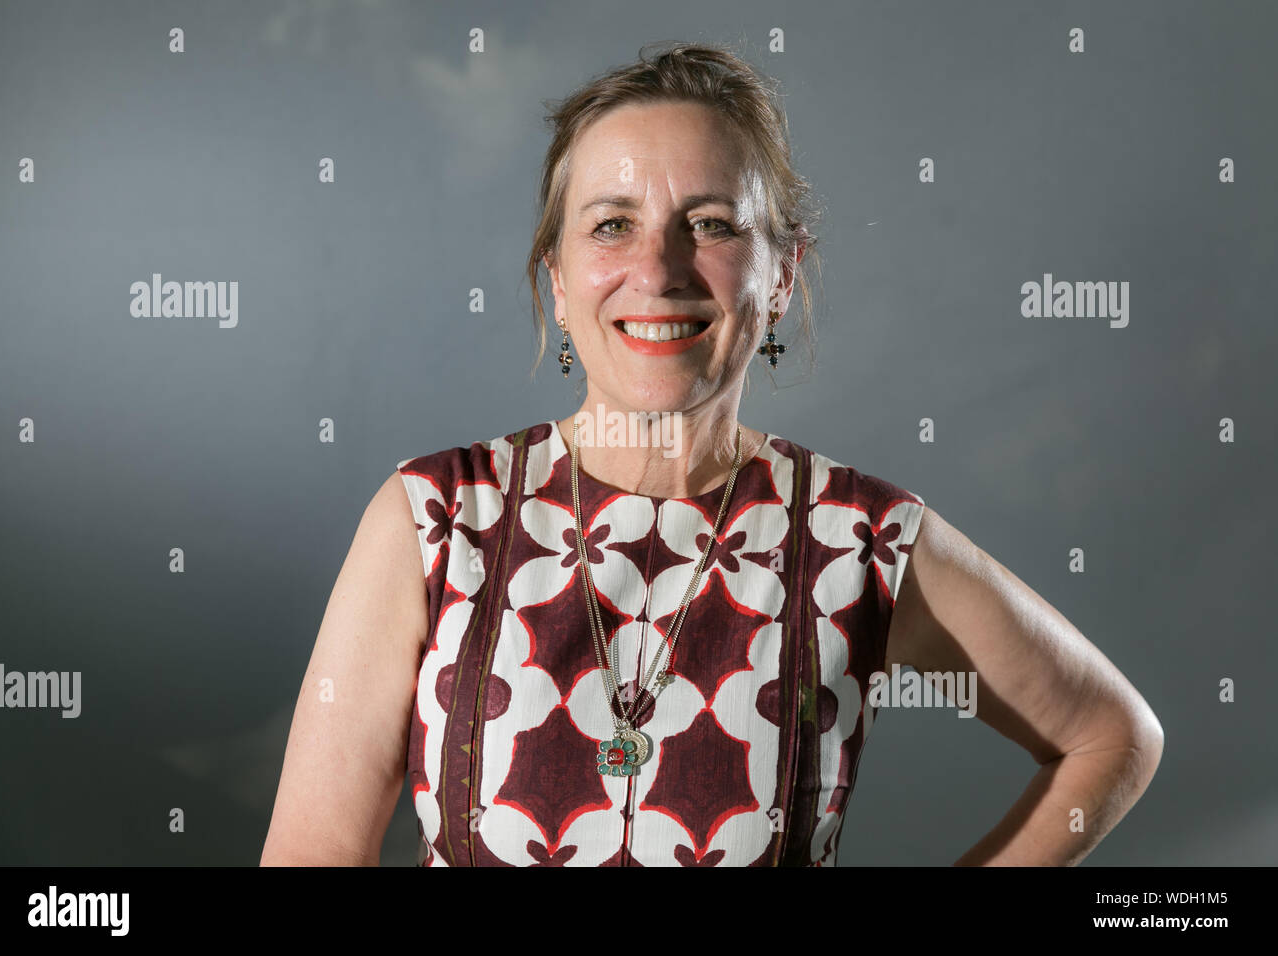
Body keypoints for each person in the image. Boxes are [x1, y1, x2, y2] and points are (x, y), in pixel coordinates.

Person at [261, 42, 1163, 867]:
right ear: (559, 281)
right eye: (612, 224)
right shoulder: (435, 519)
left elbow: (1112, 736)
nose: (658, 270)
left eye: (713, 224)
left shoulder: (859, 540)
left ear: (781, 278)